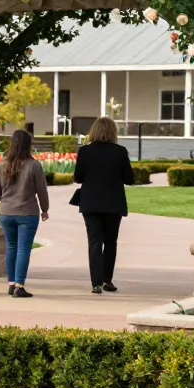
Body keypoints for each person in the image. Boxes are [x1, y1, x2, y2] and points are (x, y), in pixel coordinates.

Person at [73, 116, 132, 294]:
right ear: (113, 132)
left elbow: (78, 177)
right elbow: (130, 179)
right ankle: (108, 279)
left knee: (94, 241)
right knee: (111, 242)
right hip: (113, 203)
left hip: (90, 203)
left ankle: (96, 282)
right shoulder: (120, 152)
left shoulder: (85, 152)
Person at [0, 128, 50, 298]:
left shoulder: (1, 164)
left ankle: (11, 284)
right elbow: (42, 191)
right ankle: (19, 285)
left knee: (11, 246)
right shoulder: (34, 165)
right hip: (27, 213)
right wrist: (45, 209)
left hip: (6, 212)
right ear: (28, 145)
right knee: (23, 249)